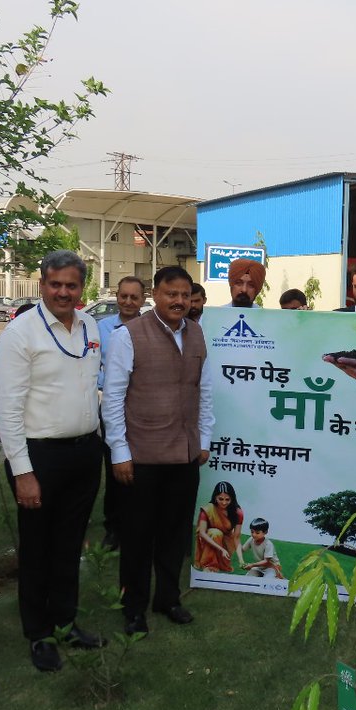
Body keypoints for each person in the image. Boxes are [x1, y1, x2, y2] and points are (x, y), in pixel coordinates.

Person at [0, 250, 105, 672]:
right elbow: (7, 409)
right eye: (55, 284)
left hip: (84, 451)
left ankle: (65, 622)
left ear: (81, 288)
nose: (63, 292)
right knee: (38, 548)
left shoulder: (90, 325)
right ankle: (38, 634)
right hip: (38, 457)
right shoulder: (20, 333)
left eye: (71, 285)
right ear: (42, 284)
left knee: (69, 545)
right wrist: (23, 472)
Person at [103, 265, 214, 634]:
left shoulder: (196, 333)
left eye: (184, 295)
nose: (179, 301)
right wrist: (119, 451)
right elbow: (113, 398)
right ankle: (133, 607)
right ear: (155, 295)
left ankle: (168, 598)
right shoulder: (128, 335)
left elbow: (204, 390)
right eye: (171, 294)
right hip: (142, 456)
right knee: (137, 535)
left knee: (174, 533)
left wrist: (204, 439)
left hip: (184, 454)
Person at [96, 276, 147, 550]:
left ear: (143, 299)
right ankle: (113, 528)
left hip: (141, 410)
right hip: (112, 407)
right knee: (115, 467)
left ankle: (137, 526)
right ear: (117, 296)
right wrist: (108, 384)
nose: (128, 301)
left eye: (134, 297)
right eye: (123, 296)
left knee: (141, 471)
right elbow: (92, 365)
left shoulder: (150, 328)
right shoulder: (101, 328)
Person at [195, 481, 244, 573]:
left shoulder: (238, 513)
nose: (224, 502)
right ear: (215, 497)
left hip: (225, 542)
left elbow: (236, 537)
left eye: (227, 499)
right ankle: (210, 565)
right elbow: (202, 533)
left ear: (232, 499)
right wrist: (221, 549)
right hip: (207, 540)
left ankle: (220, 563)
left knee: (218, 535)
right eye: (220, 499)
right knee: (216, 533)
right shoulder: (208, 509)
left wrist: (241, 560)